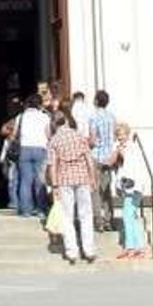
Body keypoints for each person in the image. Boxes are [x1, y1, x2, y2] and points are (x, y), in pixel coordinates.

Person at [46, 106, 97, 265]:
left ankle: (71, 251)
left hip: (64, 180)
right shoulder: (79, 136)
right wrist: (93, 177)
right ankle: (89, 249)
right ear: (67, 121)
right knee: (86, 215)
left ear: (55, 124)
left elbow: (53, 165)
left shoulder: (54, 141)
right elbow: (89, 159)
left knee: (67, 217)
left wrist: (54, 186)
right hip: (82, 177)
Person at [113, 121, 148, 258]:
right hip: (127, 186)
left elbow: (132, 167)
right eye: (118, 135)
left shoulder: (131, 148)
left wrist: (122, 154)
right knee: (131, 216)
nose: (120, 137)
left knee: (129, 216)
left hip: (133, 187)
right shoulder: (121, 147)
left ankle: (133, 247)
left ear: (127, 134)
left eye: (122, 134)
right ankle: (136, 246)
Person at [15, 93, 50, 217]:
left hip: (25, 148)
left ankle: (26, 210)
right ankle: (41, 209)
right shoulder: (44, 117)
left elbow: (15, 134)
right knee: (40, 180)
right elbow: (48, 134)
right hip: (40, 148)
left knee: (25, 181)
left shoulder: (21, 117)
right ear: (40, 104)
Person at [88, 89, 118, 234]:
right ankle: (109, 220)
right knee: (107, 190)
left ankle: (98, 221)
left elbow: (93, 139)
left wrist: (86, 143)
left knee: (95, 190)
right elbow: (114, 136)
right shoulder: (112, 117)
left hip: (96, 156)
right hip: (108, 156)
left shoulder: (94, 117)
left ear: (96, 101)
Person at [0, 96, 21, 210]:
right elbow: (3, 131)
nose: (13, 107)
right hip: (12, 153)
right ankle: (14, 202)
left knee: (17, 179)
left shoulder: (21, 118)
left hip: (21, 151)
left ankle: (19, 202)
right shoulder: (12, 119)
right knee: (12, 178)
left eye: (16, 104)